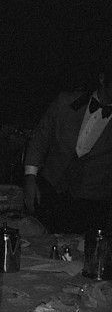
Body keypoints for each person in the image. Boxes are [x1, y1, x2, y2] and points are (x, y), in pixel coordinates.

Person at [23, 66, 112, 233]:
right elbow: (40, 139)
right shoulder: (66, 102)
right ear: (102, 79)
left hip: (92, 202)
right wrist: (30, 178)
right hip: (51, 189)